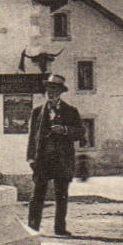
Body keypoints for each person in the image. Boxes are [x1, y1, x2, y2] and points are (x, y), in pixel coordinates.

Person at [26, 74, 83, 236]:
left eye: (55, 90)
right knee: (37, 194)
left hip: (62, 160)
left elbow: (80, 132)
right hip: (43, 160)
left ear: (60, 92)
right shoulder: (38, 112)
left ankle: (60, 228)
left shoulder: (71, 111)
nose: (51, 93)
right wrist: (31, 157)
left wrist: (64, 130)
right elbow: (32, 137)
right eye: (49, 89)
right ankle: (32, 227)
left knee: (62, 195)